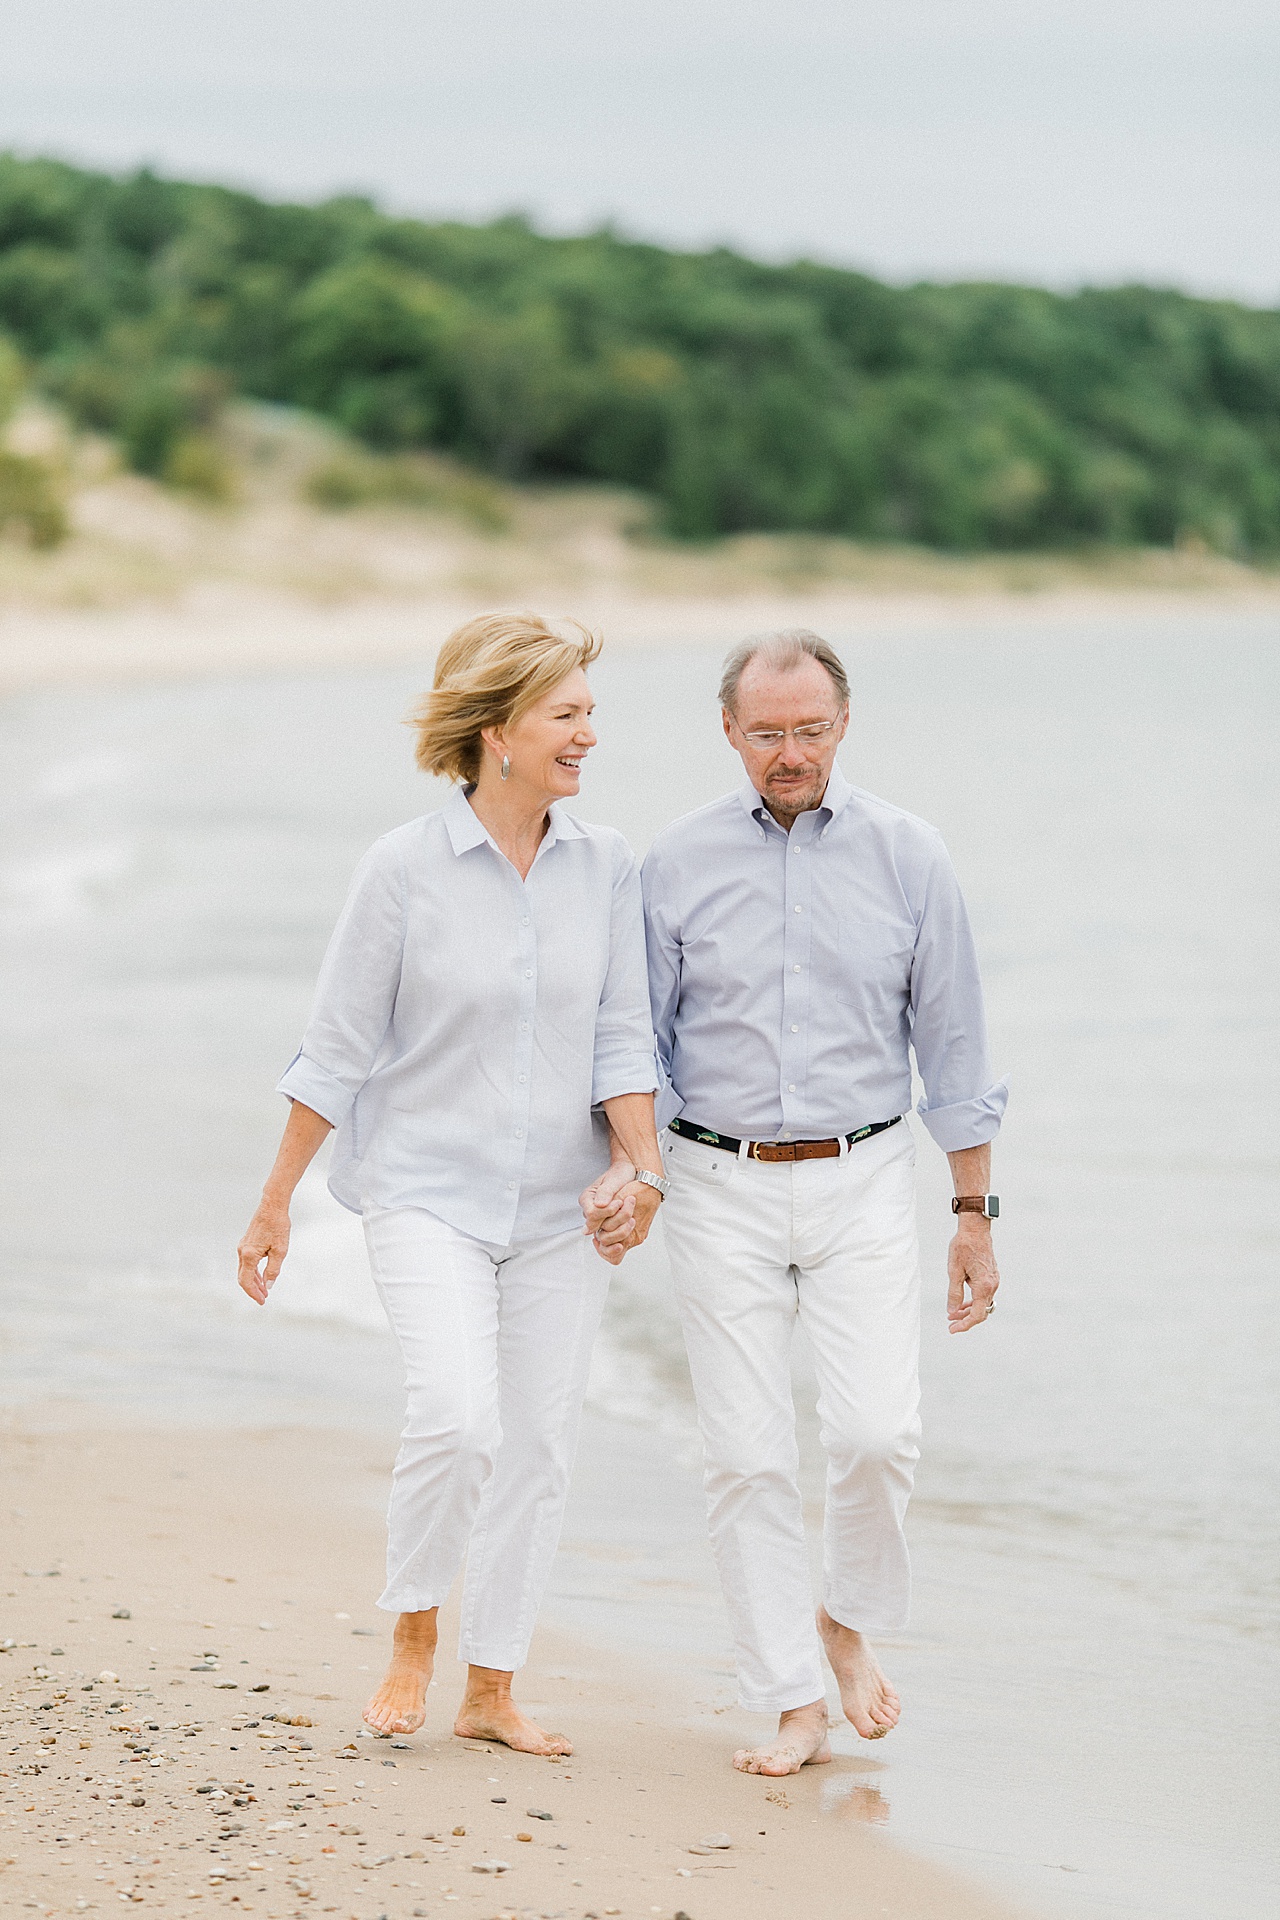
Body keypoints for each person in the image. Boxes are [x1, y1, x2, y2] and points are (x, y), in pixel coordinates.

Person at [236, 611, 665, 1758]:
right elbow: (334, 1050)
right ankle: (414, 1635)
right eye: (566, 714)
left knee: (537, 1445)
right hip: (427, 1192)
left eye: (589, 714)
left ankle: (491, 1686)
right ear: (497, 731)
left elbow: (625, 1038)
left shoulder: (607, 865)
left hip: (560, 1209)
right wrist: (276, 1200)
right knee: (457, 1417)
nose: (587, 737)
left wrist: (643, 1171)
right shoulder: (400, 870)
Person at [589, 628, 1005, 1778]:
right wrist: (642, 1171)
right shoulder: (669, 863)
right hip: (714, 1180)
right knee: (747, 1456)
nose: (788, 752)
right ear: (728, 732)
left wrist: (973, 1215)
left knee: (877, 1433)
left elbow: (955, 1043)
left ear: (843, 724)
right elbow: (634, 1039)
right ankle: (788, 1697)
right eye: (765, 732)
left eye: (807, 730)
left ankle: (845, 1620)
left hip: (864, 1174)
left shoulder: (909, 855)